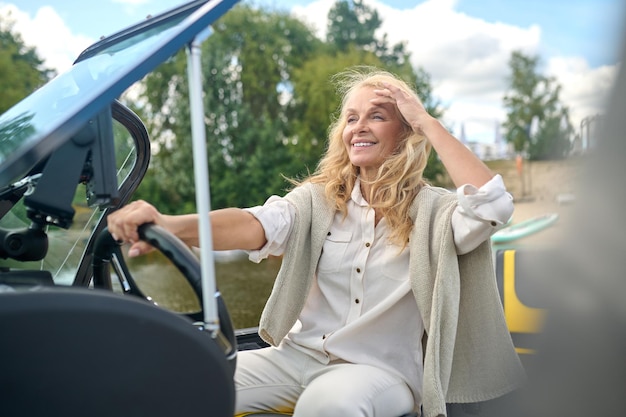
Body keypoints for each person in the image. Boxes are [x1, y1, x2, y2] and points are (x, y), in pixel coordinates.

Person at [107, 67, 525, 417]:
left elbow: (493, 204)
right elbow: (254, 225)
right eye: (351, 117)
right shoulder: (318, 201)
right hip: (295, 358)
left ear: (405, 131)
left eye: (377, 116)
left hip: (380, 372)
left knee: (328, 407)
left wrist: (428, 123)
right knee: (182, 382)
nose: (359, 127)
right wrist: (167, 223)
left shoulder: (438, 213)